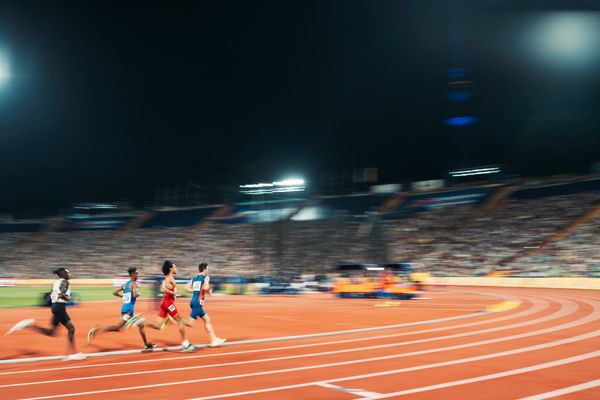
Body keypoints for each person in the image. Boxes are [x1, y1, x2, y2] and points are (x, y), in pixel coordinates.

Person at [5, 267, 86, 361]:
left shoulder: (56, 283)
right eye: (67, 273)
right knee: (71, 328)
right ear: (63, 274)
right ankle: (72, 354)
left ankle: (30, 325)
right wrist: (68, 298)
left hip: (55, 307)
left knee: (52, 332)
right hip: (60, 308)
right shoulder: (65, 282)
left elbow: (50, 294)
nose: (69, 275)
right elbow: (61, 295)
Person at [87, 267, 156, 349]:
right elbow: (134, 295)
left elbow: (114, 292)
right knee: (117, 328)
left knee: (140, 325)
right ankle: (96, 330)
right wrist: (138, 294)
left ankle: (146, 344)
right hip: (129, 311)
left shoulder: (125, 285)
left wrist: (123, 295)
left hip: (125, 309)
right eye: (137, 273)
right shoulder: (134, 284)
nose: (138, 275)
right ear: (133, 274)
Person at [137, 260, 196, 352]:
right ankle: (185, 345)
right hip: (168, 304)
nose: (176, 268)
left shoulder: (168, 278)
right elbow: (163, 289)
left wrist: (175, 294)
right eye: (175, 266)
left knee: (158, 325)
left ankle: (142, 322)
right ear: (170, 269)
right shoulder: (170, 279)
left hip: (165, 303)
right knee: (180, 321)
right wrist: (173, 293)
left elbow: (166, 289)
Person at [185, 263, 226, 347]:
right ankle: (176, 320)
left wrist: (194, 290)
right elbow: (205, 288)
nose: (208, 270)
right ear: (204, 269)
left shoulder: (194, 278)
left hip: (193, 301)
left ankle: (214, 340)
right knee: (190, 323)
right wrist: (209, 290)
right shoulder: (206, 277)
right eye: (207, 269)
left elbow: (186, 288)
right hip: (198, 303)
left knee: (207, 319)